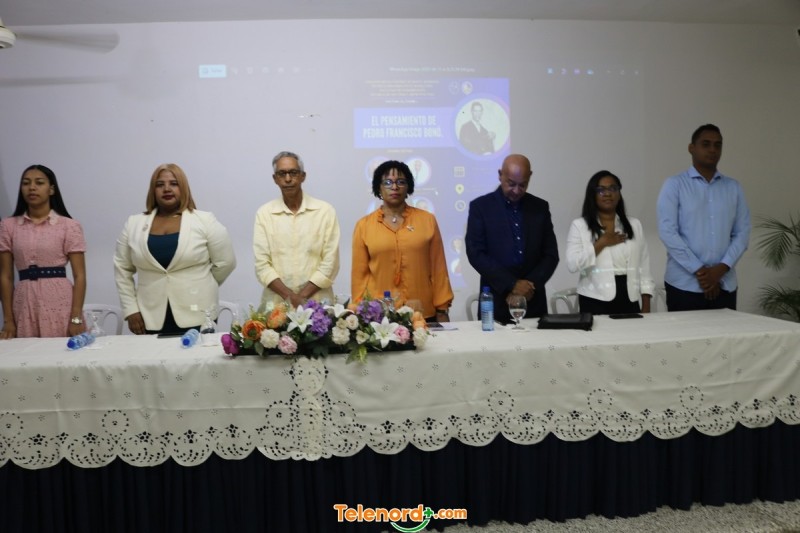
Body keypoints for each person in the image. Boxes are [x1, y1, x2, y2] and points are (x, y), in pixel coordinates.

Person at [114, 163, 236, 335]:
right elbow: (122, 268)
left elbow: (226, 262)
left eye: (174, 183)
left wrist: (202, 282)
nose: (167, 189)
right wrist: (131, 310)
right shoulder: (133, 224)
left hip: (199, 312)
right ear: (153, 190)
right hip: (149, 315)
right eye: (160, 184)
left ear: (183, 187)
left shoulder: (205, 220)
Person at [657, 124, 750, 311]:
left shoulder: (734, 187)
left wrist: (721, 269)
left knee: (726, 331)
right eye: (706, 144)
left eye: (717, 145)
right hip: (684, 285)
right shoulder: (674, 185)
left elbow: (742, 234)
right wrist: (701, 271)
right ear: (691, 148)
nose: (712, 149)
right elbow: (667, 232)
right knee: (684, 332)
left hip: (725, 284)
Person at [352, 160, 453, 322]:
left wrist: (442, 308)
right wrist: (359, 311)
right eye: (387, 182)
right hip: (380, 316)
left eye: (401, 182)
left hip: (422, 312)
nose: (394, 187)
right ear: (378, 188)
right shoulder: (364, 225)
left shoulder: (427, 220)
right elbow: (359, 276)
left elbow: (438, 268)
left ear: (408, 187)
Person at [465, 154, 559, 322]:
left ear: (530, 177)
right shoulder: (481, 207)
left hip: (533, 301)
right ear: (500, 175)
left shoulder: (540, 207)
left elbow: (550, 254)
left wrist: (528, 286)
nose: (516, 190)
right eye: (511, 184)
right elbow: (476, 253)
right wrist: (512, 284)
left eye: (522, 185)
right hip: (496, 302)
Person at [0, 165, 87, 338]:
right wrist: (8, 320)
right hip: (24, 302)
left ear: (51, 189)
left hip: (60, 302)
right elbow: (6, 276)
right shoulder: (8, 226)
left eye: (39, 183)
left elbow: (80, 276)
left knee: (61, 352)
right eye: (26, 183)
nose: (32, 187)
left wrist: (76, 318)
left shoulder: (69, 226)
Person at [254, 151, 340, 309]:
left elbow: (330, 262)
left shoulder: (324, 211)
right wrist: (291, 297)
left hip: (318, 305)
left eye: (293, 173)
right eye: (282, 174)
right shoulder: (265, 214)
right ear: (275, 179)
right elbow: (262, 265)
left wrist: (302, 297)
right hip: (276, 307)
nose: (288, 179)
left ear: (303, 176)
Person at [566, 171, 655, 314]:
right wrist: (601, 243)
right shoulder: (580, 226)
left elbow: (644, 266)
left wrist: (646, 303)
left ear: (619, 194)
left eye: (613, 188)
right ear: (592, 195)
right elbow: (572, 264)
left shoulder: (634, 224)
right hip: (594, 298)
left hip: (629, 297)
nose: (608, 194)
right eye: (601, 190)